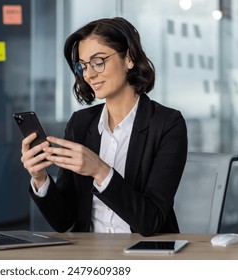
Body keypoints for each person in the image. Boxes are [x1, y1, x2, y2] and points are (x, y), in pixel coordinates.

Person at [20, 17, 188, 236]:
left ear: (128, 59)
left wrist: (100, 170)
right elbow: (63, 221)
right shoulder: (80, 123)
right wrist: (40, 178)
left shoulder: (167, 124)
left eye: (98, 61)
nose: (89, 74)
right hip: (89, 255)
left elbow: (151, 221)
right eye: (83, 66)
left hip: (144, 254)